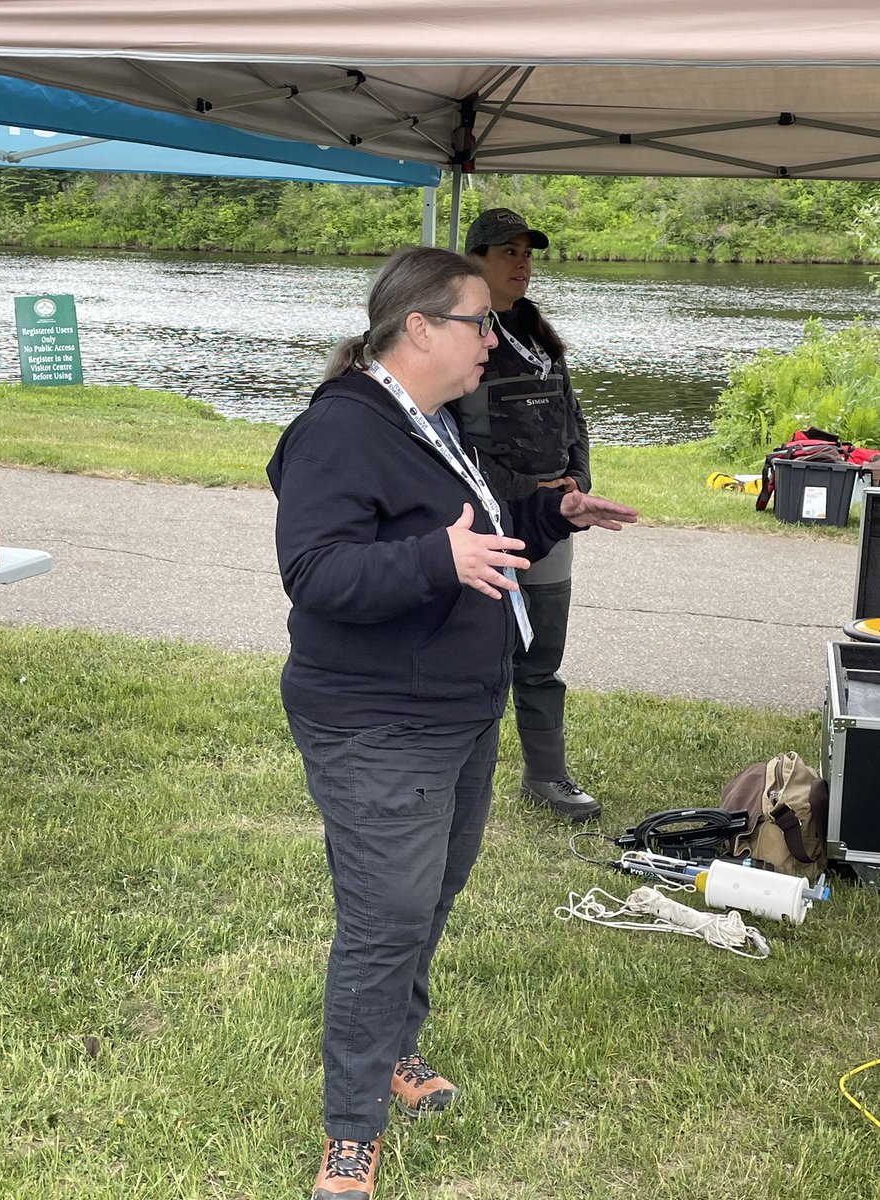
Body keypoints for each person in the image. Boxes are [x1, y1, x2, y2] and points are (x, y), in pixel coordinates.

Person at [266, 245, 637, 1200]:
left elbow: (473, 522)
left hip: (458, 714)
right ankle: (351, 1131)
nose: (494, 341)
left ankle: (395, 1048)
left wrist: (556, 513)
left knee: (425, 901)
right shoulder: (340, 431)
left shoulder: (428, 420)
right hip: (377, 722)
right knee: (385, 919)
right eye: (481, 322)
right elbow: (316, 572)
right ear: (421, 327)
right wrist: (438, 562)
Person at [454, 207, 598, 823]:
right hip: (487, 521)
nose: (522, 263)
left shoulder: (539, 336)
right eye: (508, 252)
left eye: (527, 253)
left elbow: (574, 421)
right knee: (477, 655)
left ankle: (546, 776)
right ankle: (459, 770)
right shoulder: (459, 337)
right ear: (476, 260)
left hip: (552, 521)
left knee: (542, 659)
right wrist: (525, 490)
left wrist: (577, 486)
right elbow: (454, 442)